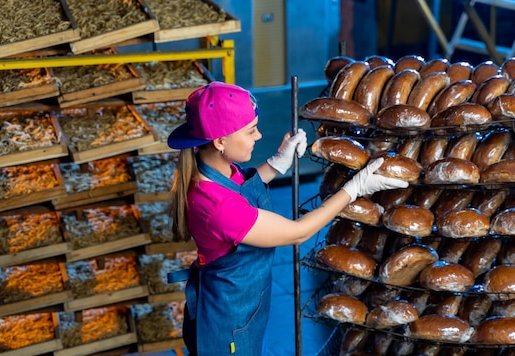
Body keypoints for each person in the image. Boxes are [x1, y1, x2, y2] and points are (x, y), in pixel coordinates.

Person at [167, 81, 409, 355]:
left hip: (239, 305)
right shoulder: (216, 206)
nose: (259, 136)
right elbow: (298, 232)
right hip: (227, 321)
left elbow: (240, 190)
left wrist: (276, 162)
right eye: (250, 131)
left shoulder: (214, 167)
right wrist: (354, 189)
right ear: (220, 141)